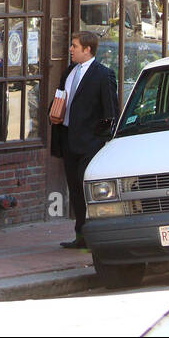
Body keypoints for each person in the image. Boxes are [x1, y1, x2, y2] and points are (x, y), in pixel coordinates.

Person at [50, 29, 118, 249]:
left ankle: (94, 235)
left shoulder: (103, 74)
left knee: (85, 186)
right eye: (71, 45)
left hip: (90, 143)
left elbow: (110, 112)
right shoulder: (69, 71)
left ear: (87, 50)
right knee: (75, 188)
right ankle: (81, 236)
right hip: (68, 139)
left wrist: (100, 140)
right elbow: (61, 98)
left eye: (75, 46)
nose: (70, 49)